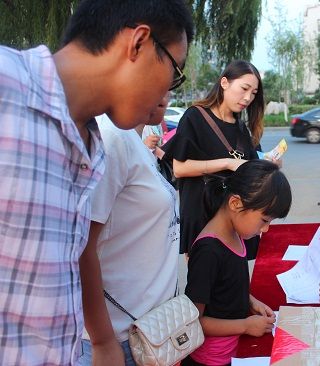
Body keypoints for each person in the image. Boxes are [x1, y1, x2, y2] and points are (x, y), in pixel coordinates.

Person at [0, 1, 193, 365]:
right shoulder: (6, 85)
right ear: (138, 43)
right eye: (175, 72)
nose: (167, 93)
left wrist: (103, 344)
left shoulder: (93, 147)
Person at [78, 97, 179, 365]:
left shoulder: (135, 139)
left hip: (149, 330)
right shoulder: (112, 139)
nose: (166, 94)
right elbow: (81, 246)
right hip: (119, 338)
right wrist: (103, 341)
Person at [182, 160, 292, 365]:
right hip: (212, 359)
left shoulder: (234, 231)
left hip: (233, 347)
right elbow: (194, 321)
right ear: (235, 204)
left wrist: (250, 301)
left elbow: (224, 286)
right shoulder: (208, 252)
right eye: (264, 220)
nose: (266, 230)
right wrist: (245, 326)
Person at [162, 60, 265, 257]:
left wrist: (268, 163)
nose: (247, 98)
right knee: (206, 282)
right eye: (244, 88)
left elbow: (251, 167)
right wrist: (227, 163)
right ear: (224, 83)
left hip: (235, 215)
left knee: (234, 281)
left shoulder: (242, 128)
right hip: (202, 214)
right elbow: (179, 168)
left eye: (253, 93)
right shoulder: (195, 117)